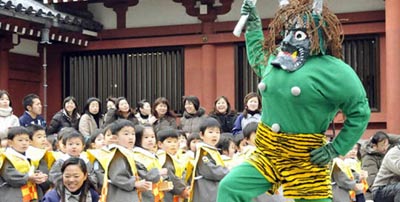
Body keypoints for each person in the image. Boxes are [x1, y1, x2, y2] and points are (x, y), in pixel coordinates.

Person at [217, 0, 371, 201]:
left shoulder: (334, 70)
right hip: (267, 151)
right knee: (230, 187)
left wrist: (336, 148)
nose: (291, 36)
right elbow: (257, 56)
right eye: (289, 29)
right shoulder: (278, 59)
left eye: (300, 31)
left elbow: (359, 111)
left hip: (305, 157)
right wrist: (253, 25)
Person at [101, 119, 152, 202]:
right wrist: (134, 183)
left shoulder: (127, 152)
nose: (131, 137)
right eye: (126, 134)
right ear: (115, 138)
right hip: (120, 195)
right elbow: (117, 177)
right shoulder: (117, 153)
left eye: (133, 134)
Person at [0, 126, 48, 201]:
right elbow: (10, 176)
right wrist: (29, 177)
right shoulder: (6, 156)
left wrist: (39, 175)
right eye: (20, 140)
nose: (24, 143)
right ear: (10, 142)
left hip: (31, 193)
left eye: (26, 140)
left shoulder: (30, 156)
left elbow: (32, 170)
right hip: (14, 195)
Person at [189, 117, 229, 202]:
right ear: (201, 135)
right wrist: (230, 171)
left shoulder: (213, 150)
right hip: (206, 193)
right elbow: (211, 171)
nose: (214, 135)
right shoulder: (203, 151)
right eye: (210, 132)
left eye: (217, 132)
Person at [133, 125, 170, 201]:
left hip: (157, 193)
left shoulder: (153, 154)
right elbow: (144, 176)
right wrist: (158, 173)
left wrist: (165, 180)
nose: (150, 140)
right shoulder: (136, 156)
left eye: (152, 137)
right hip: (145, 195)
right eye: (146, 137)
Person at [157, 128, 190, 202]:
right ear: (160, 144)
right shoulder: (163, 158)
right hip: (169, 193)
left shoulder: (179, 156)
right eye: (169, 142)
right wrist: (182, 190)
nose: (173, 144)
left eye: (175, 141)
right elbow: (171, 177)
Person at [362, 131, 390, 200]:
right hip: (373, 194)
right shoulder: (368, 158)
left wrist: (385, 136)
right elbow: (371, 181)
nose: (385, 148)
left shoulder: (386, 154)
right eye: (382, 145)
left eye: (387, 145)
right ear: (374, 146)